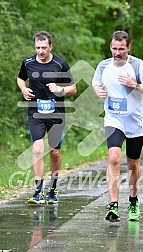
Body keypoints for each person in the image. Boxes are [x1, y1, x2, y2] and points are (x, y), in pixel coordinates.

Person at [92, 30, 143, 221]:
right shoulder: (104, 66)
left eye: (121, 48)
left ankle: (133, 199)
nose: (117, 52)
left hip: (135, 121)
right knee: (113, 157)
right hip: (114, 118)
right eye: (114, 48)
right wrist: (99, 92)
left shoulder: (138, 66)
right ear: (110, 47)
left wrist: (134, 85)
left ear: (128, 47)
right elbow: (96, 83)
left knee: (132, 163)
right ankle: (113, 205)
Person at [17, 31, 76, 204]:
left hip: (56, 113)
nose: (40, 51)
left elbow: (73, 88)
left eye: (44, 47)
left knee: (55, 152)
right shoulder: (28, 62)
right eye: (37, 48)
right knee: (37, 148)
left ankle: (53, 188)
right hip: (36, 112)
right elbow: (21, 78)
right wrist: (23, 89)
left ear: (50, 46)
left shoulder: (60, 64)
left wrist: (60, 89)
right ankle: (38, 190)